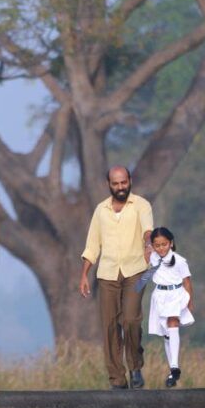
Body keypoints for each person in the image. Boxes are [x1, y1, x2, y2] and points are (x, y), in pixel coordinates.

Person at [79, 166, 154, 390]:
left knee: (131, 320)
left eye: (123, 183)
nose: (120, 187)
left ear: (130, 180)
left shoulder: (141, 205)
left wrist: (148, 244)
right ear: (109, 185)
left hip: (137, 271)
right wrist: (84, 274)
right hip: (108, 275)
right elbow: (92, 246)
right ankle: (117, 379)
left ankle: (135, 366)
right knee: (110, 326)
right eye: (115, 184)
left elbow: (148, 230)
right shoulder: (101, 210)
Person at [146, 227, 195, 387]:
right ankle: (172, 372)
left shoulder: (180, 261)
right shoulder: (152, 257)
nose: (161, 248)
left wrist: (189, 302)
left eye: (164, 244)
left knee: (173, 324)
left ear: (171, 243)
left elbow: (187, 282)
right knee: (166, 334)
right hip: (160, 297)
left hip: (176, 295)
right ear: (153, 246)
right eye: (157, 245)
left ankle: (174, 366)